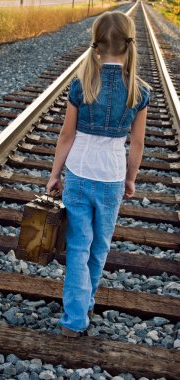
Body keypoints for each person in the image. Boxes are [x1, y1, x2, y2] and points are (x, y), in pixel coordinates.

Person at [46, 11, 151, 337]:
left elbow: (66, 136)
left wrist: (54, 175)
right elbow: (137, 143)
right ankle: (87, 300)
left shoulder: (82, 85)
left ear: (96, 45)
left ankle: (75, 318)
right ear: (128, 45)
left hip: (78, 174)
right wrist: (131, 179)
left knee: (78, 246)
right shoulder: (139, 91)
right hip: (112, 179)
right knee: (99, 246)